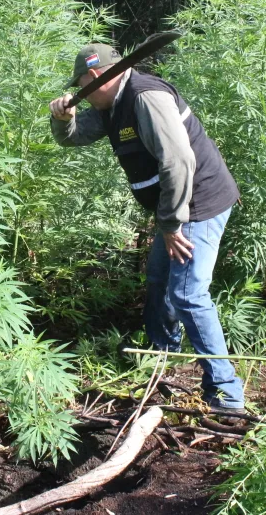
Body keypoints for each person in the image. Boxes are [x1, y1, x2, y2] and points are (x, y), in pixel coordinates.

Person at [48, 43, 246, 412]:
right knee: (158, 279)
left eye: (81, 86)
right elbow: (74, 137)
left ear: (95, 77)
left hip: (198, 204)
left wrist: (171, 224)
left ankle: (226, 393)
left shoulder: (144, 97)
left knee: (188, 294)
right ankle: (163, 359)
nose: (82, 95)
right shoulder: (110, 104)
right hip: (173, 210)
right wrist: (62, 119)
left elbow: (179, 161)